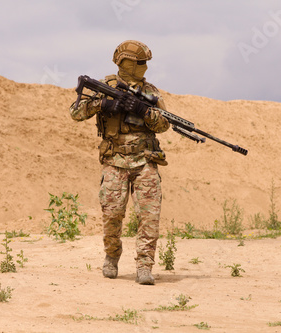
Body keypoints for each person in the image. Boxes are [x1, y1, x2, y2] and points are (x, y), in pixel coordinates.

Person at [69, 40, 170, 285]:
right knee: (112, 214)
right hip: (114, 160)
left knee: (149, 216)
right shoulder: (105, 87)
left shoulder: (151, 92)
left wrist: (145, 111)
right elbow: (76, 112)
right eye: (139, 63)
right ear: (125, 63)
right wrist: (103, 103)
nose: (144, 67)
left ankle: (145, 266)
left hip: (145, 161)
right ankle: (112, 256)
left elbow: (165, 124)